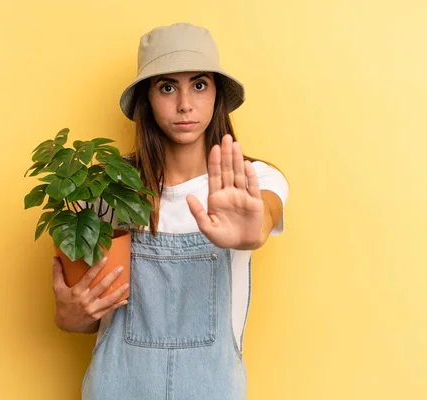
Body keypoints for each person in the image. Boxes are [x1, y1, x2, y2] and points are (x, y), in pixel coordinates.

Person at [51, 22, 289, 399]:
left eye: (199, 85)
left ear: (216, 96)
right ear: (147, 99)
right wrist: (71, 314)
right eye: (167, 87)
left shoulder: (251, 179)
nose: (184, 104)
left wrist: (253, 228)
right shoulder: (106, 190)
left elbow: (265, 216)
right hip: (118, 386)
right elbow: (77, 318)